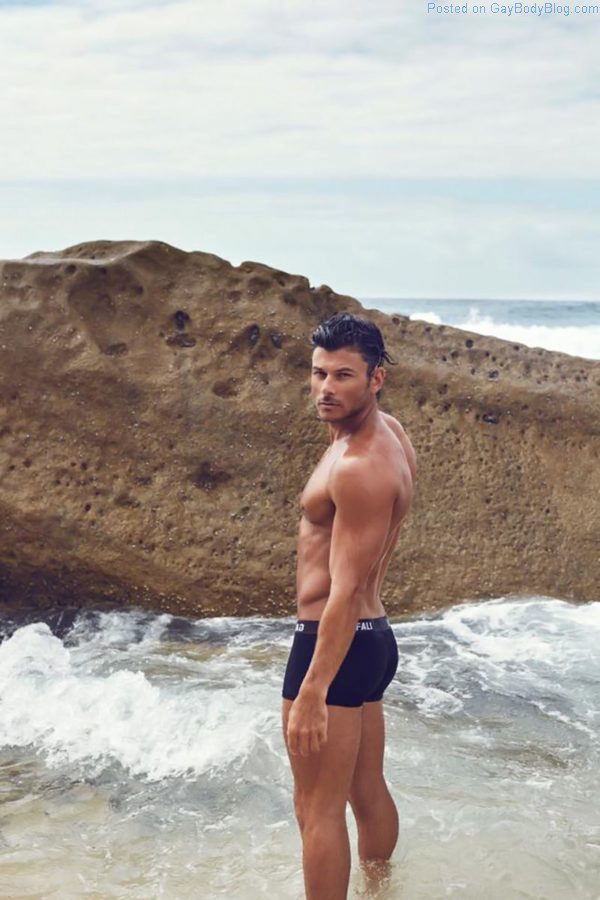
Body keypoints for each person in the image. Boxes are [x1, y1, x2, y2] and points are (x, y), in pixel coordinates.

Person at [281, 312, 417, 900]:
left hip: (332, 641)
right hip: (372, 637)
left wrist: (313, 690)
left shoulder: (360, 466)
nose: (327, 389)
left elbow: (341, 590)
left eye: (344, 375)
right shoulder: (388, 434)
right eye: (318, 375)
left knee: (317, 809)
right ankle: (379, 890)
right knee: (365, 789)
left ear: (376, 378)